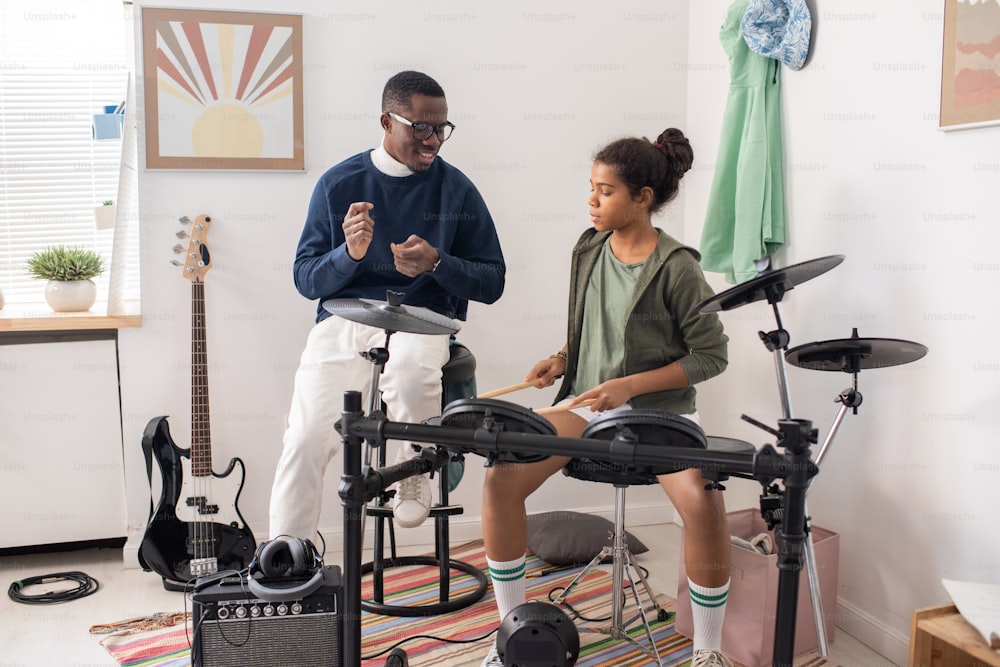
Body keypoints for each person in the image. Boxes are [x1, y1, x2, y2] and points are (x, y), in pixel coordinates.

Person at [480, 129, 733, 667]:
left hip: (658, 416)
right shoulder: (589, 246)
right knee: (501, 474)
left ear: (642, 198)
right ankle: (511, 635)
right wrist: (562, 359)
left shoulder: (678, 267)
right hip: (585, 408)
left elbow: (711, 356)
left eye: (605, 191)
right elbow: (595, 326)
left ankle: (708, 650)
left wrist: (631, 386)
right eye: (591, 188)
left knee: (705, 503)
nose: (592, 201)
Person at [269, 71, 506, 544]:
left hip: (424, 322)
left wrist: (438, 263)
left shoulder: (456, 190)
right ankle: (286, 553)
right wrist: (348, 255)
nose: (434, 140)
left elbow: (493, 281)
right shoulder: (339, 184)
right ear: (386, 121)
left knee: (411, 377)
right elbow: (304, 277)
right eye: (421, 127)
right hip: (345, 317)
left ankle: (412, 471)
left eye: (442, 128)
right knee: (305, 434)